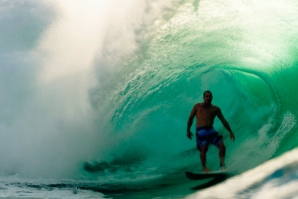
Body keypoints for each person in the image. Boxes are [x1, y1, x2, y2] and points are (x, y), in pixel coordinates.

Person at [187, 90, 235, 172]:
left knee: (222, 147)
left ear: (212, 97)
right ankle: (204, 168)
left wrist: (230, 131)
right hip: (201, 130)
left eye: (210, 96)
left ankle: (222, 165)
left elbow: (223, 120)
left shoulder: (215, 109)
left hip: (211, 130)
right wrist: (188, 130)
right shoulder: (197, 106)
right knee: (203, 148)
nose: (208, 98)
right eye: (206, 96)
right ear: (203, 97)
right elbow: (191, 118)